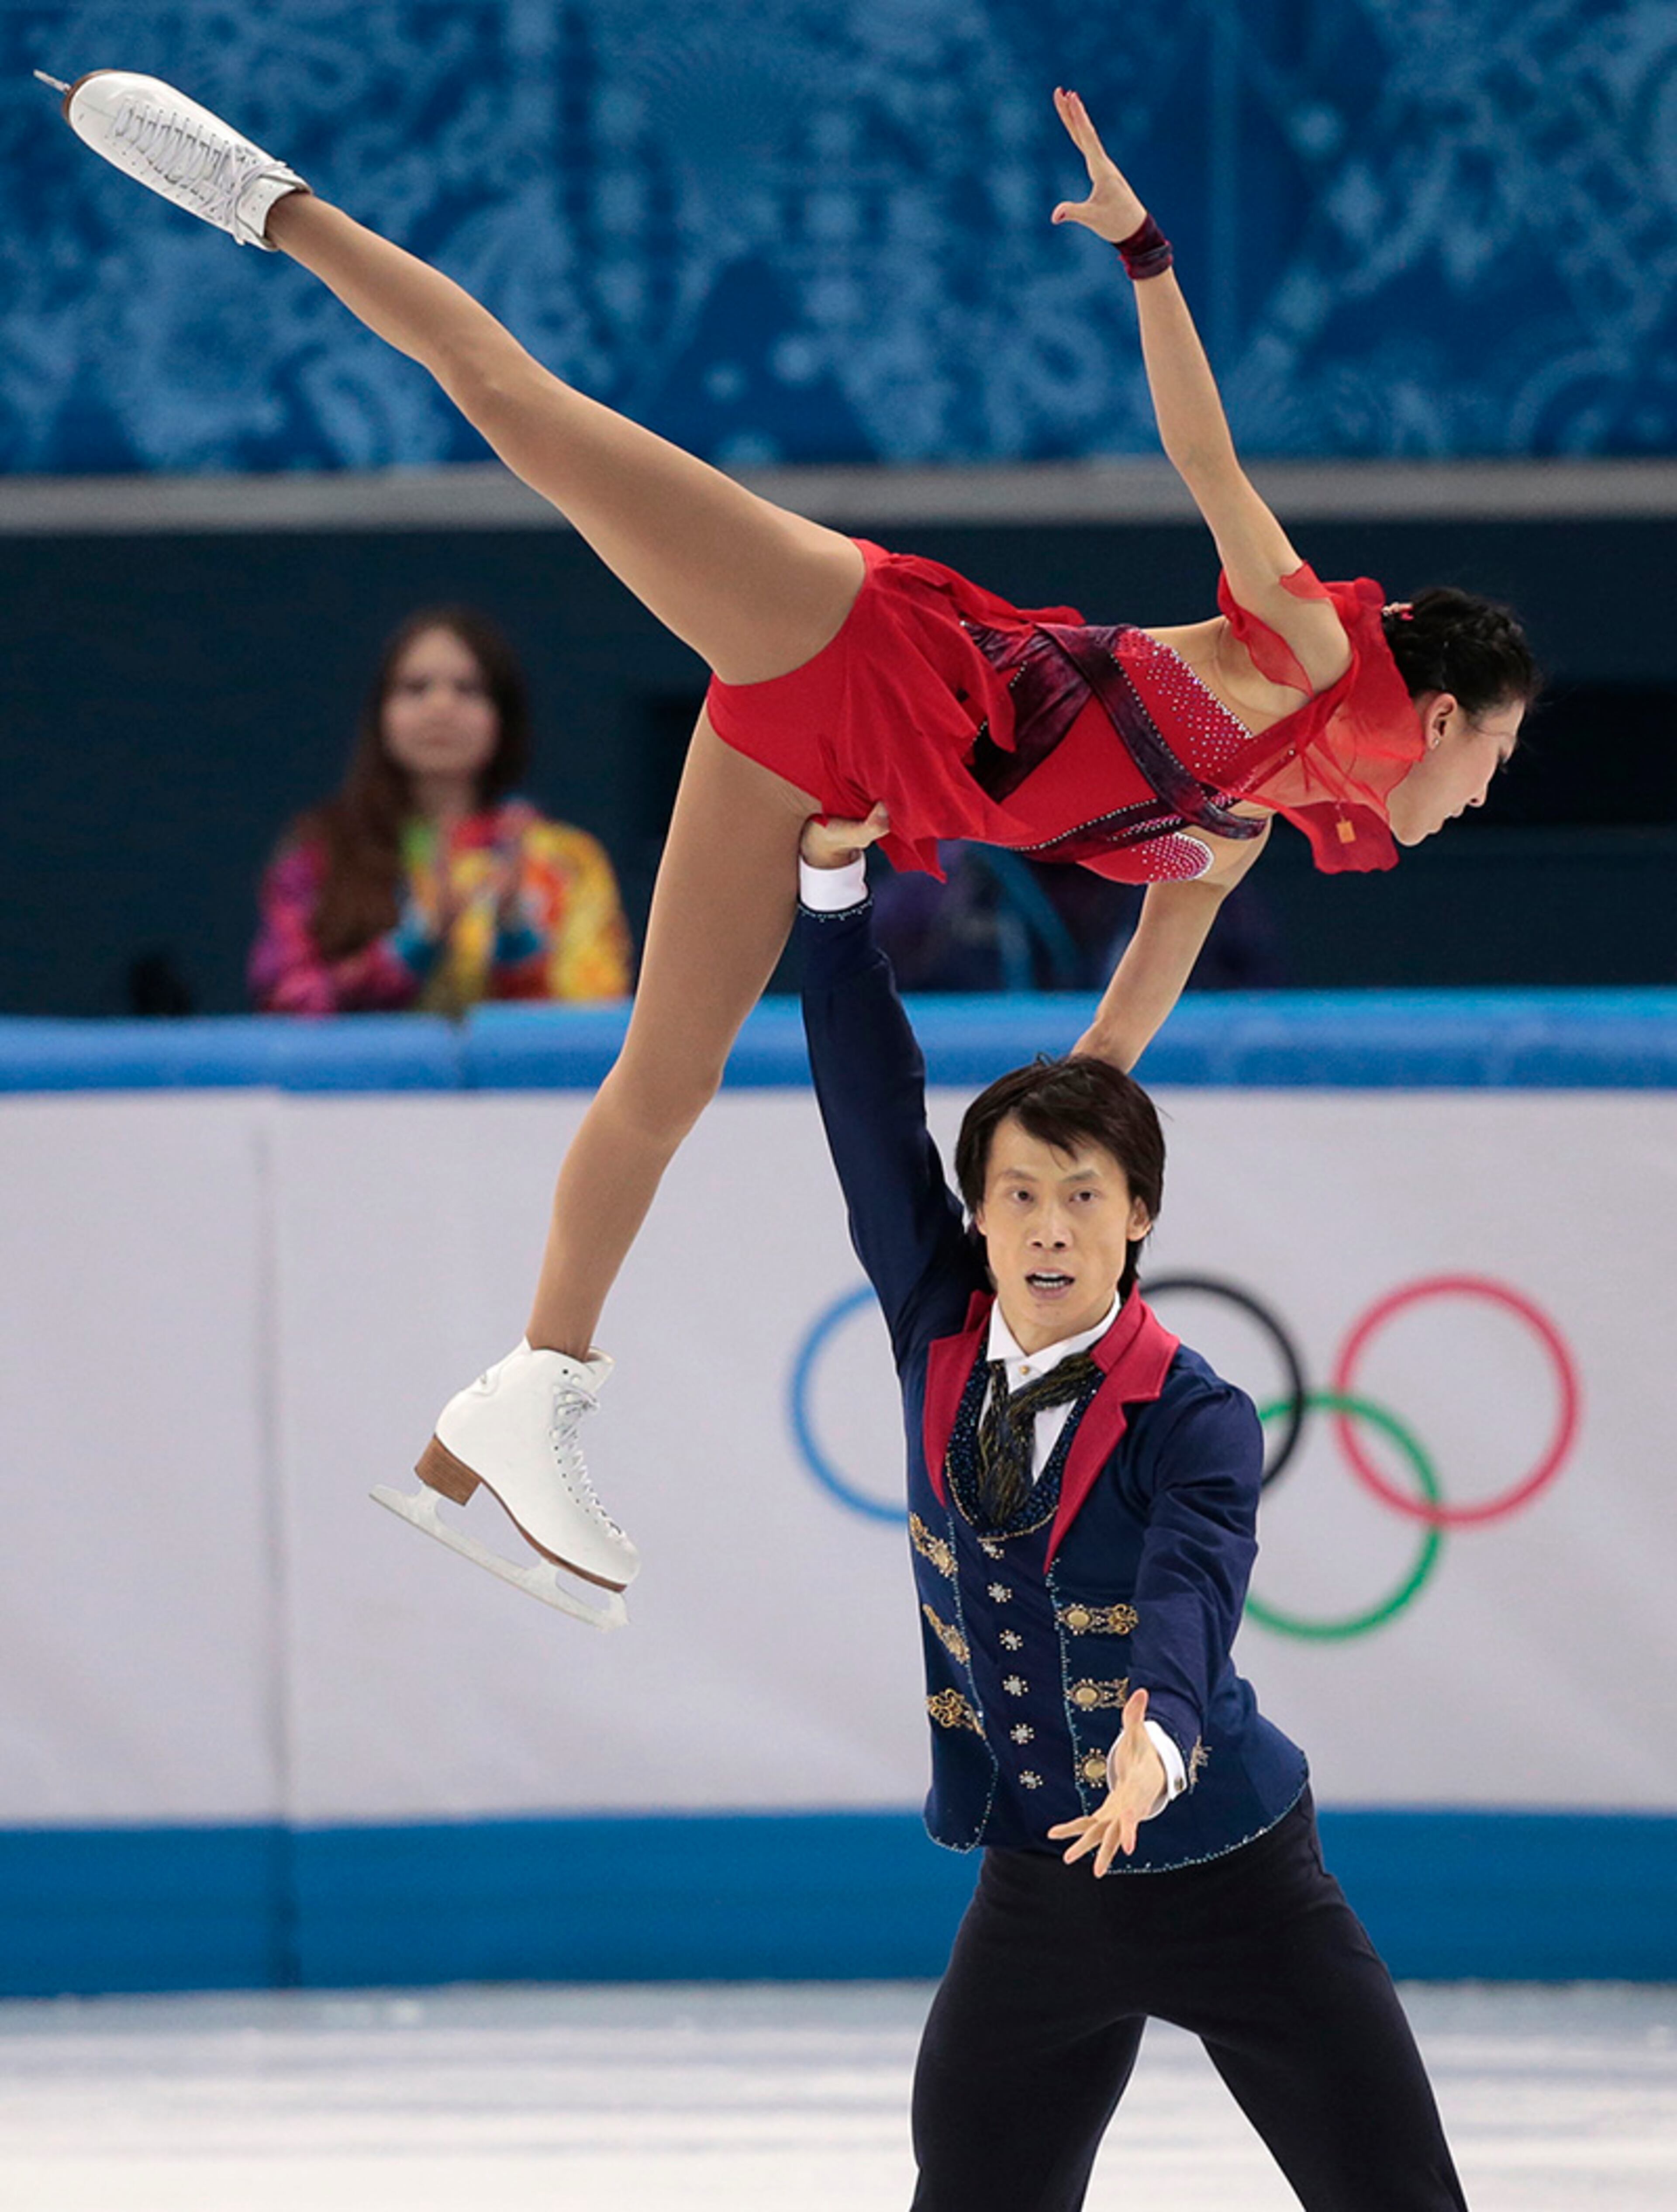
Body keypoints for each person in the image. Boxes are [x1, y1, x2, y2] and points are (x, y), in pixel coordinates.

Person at [47, 71, 1539, 1613]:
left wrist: (1042, 1215)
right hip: (860, 644)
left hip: (838, 780)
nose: (1489, 795)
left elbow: (1103, 1062)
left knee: (665, 1075)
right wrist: (1146, 249)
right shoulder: (1297, 648)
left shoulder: (1231, 840)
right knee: (519, 405)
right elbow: (1206, 463)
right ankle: (255, 193)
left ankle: (533, 1390)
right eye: (1495, 760)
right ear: (1440, 719)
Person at [794, 806, 1468, 2211]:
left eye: (1080, 1195)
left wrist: (1153, 1738)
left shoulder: (1197, 1413)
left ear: (1138, 1214)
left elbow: (1191, 1590)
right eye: (1018, 1193)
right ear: (976, 1215)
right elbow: (867, 1112)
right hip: (1040, 1889)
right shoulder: (934, 1323)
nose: (1047, 1224)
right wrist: (833, 891)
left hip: (1233, 1870)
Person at [248, 606, 631, 1016]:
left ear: (503, 716)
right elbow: (281, 1002)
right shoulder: (322, 849)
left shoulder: (565, 859)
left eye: (469, 689)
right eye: (416, 688)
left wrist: (517, 943)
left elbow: (596, 1026)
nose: (441, 706)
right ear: (381, 713)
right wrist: (409, 951)